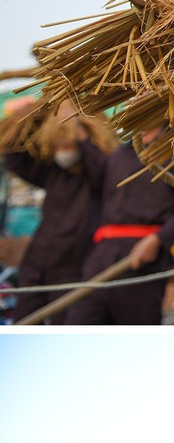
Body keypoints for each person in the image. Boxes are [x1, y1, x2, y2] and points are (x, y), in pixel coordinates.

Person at [64, 127, 174, 326]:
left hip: (143, 259)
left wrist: (158, 240)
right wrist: (82, 137)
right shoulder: (121, 152)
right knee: (80, 324)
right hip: (102, 258)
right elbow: (97, 173)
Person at [1, 95, 101, 326]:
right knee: (25, 320)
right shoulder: (52, 174)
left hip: (72, 266)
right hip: (37, 261)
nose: (63, 152)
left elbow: (102, 165)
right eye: (59, 146)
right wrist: (27, 119)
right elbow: (15, 159)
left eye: (68, 146)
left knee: (63, 325)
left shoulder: (96, 178)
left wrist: (79, 133)